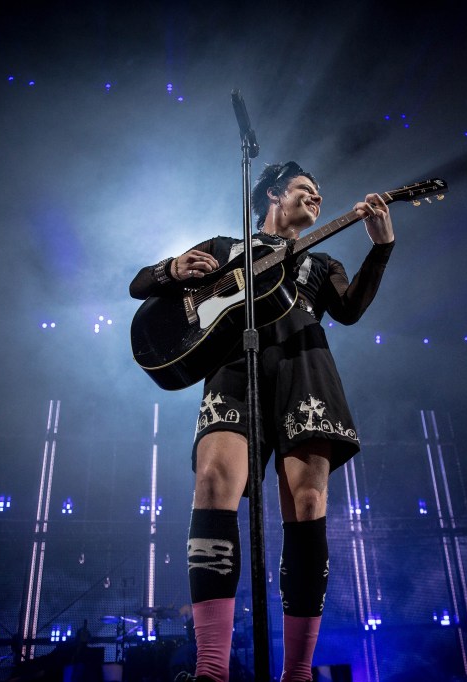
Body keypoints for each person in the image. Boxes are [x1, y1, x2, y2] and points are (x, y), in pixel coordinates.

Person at [129, 160, 395, 682]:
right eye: (305, 189)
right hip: (234, 367)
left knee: (308, 502)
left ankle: (298, 673)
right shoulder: (226, 249)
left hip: (305, 368)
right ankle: (211, 670)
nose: (316, 198)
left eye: (319, 194)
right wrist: (171, 269)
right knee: (212, 484)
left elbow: (350, 309)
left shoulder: (322, 262)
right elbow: (141, 286)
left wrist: (381, 247)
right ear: (274, 193)